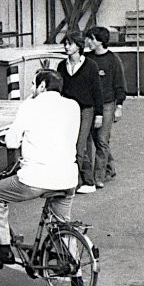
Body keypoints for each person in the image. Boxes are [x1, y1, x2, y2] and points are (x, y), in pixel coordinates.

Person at [0, 69, 80, 286]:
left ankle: (3, 247)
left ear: (42, 86)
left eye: (34, 84)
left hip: (36, 178)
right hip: (67, 178)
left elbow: (12, 141)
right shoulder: (73, 106)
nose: (31, 89)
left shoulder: (30, 105)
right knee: (63, 225)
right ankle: (78, 280)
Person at [57, 31, 103, 194]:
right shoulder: (62, 66)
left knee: (80, 144)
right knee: (72, 145)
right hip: (68, 110)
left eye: (69, 43)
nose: (66, 46)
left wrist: (99, 114)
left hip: (86, 110)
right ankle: (82, 181)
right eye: (65, 44)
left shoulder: (90, 66)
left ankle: (82, 182)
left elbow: (97, 91)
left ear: (79, 46)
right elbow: (59, 90)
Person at [84, 26, 126, 187]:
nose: (88, 41)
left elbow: (120, 85)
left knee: (101, 139)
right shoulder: (87, 58)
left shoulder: (113, 60)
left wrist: (119, 106)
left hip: (107, 104)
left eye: (91, 39)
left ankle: (98, 177)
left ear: (100, 41)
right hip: (90, 105)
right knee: (95, 138)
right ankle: (110, 167)